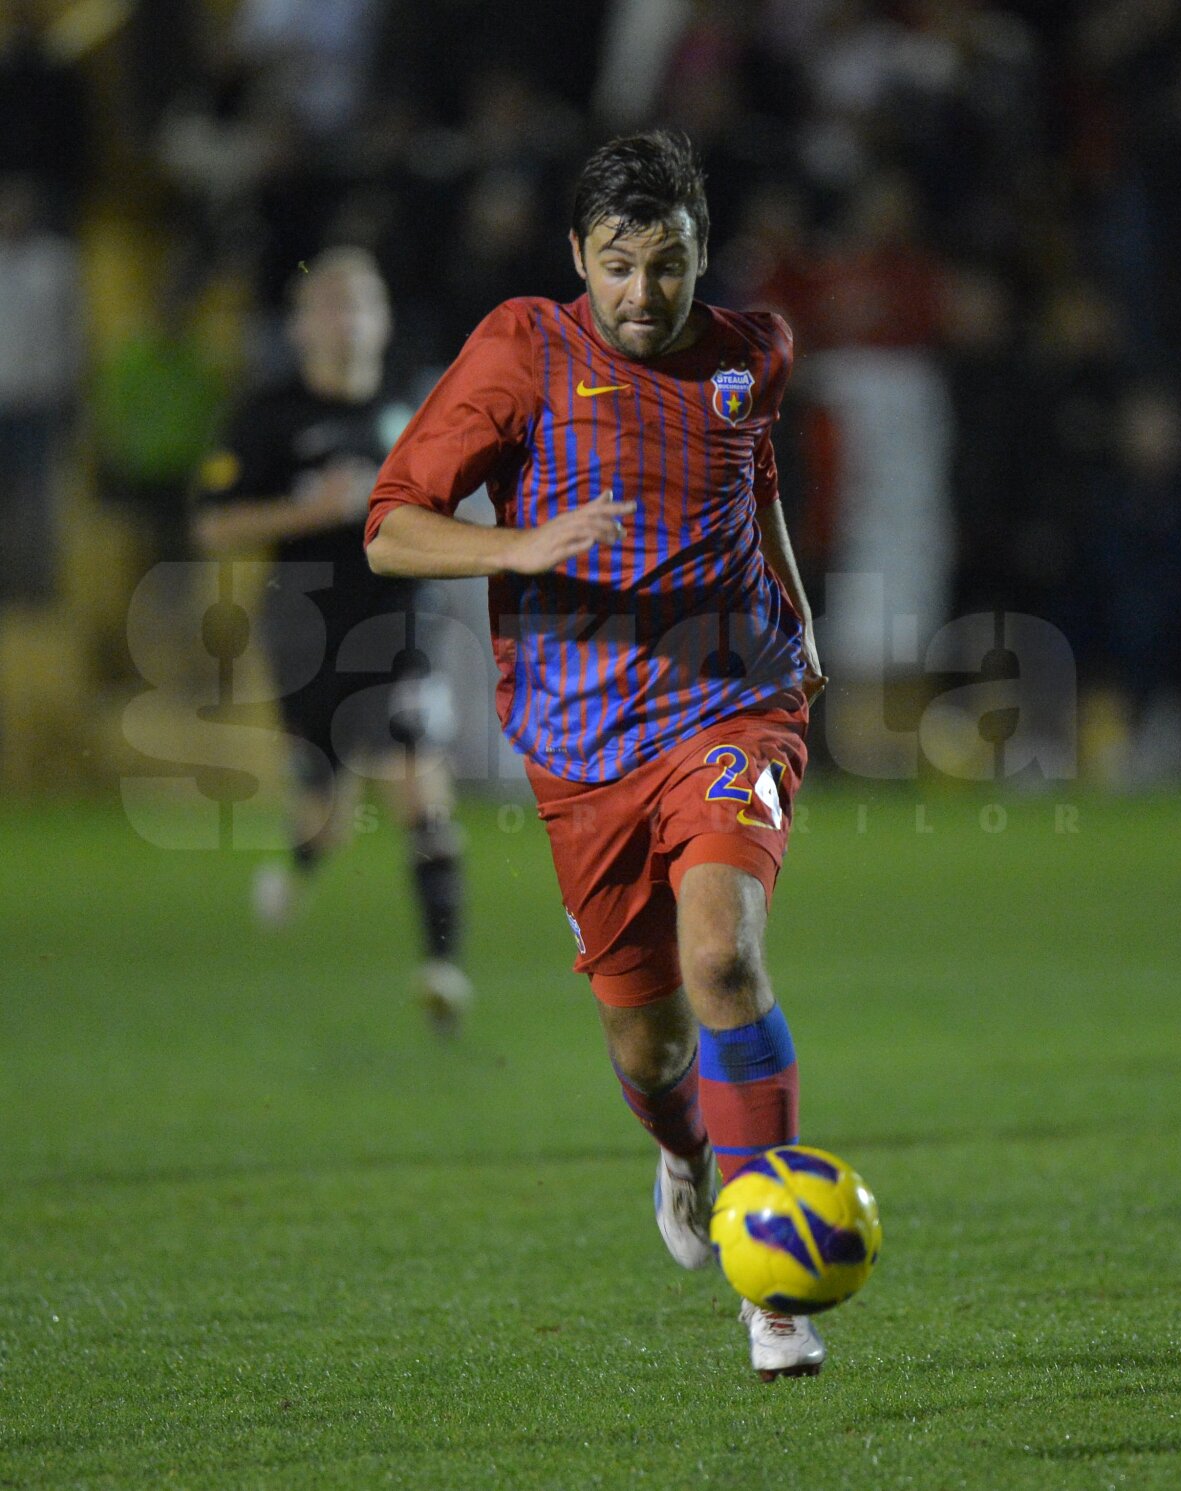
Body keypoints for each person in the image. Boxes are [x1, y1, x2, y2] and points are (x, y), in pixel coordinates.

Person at [365, 131, 828, 1378]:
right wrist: (513, 550)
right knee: (651, 1043)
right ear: (579, 257)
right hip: (583, 749)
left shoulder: (753, 353)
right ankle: (682, 1152)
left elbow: (755, 469)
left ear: (701, 254)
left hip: (738, 707)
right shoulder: (523, 349)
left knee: (724, 959)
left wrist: (796, 603)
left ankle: (769, 1280)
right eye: (618, 266)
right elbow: (391, 530)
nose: (643, 293)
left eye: (667, 264)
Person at [194, 247, 473, 1035]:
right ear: (301, 324)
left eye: (363, 303)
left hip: (402, 618)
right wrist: (308, 511)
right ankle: (303, 860)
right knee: (326, 806)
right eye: (332, 303)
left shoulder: (415, 406)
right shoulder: (267, 415)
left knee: (420, 782)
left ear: (383, 321)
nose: (348, 318)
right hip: (307, 625)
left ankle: (441, 969)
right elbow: (215, 523)